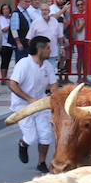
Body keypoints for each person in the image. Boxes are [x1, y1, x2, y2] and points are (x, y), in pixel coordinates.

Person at [10, 36, 57, 173]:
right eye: (48, 48)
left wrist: (53, 95)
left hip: (41, 103)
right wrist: (29, 99)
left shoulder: (48, 66)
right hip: (22, 105)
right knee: (31, 137)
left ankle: (41, 162)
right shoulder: (24, 64)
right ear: (39, 49)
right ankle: (23, 143)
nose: (50, 50)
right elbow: (12, 85)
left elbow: (53, 84)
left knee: (46, 134)